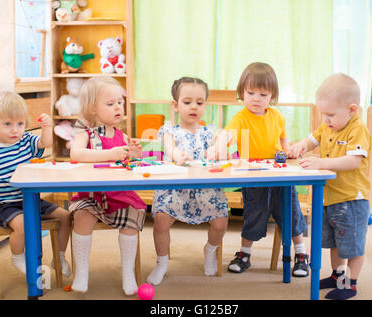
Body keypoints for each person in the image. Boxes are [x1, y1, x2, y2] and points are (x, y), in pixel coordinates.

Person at [207, 62, 310, 277]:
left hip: (279, 175)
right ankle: (244, 254)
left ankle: (301, 254)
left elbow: (283, 141)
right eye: (250, 92)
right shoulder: (240, 118)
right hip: (253, 177)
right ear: (241, 93)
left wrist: (288, 150)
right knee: (253, 215)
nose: (256, 98)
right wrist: (217, 147)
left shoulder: (277, 116)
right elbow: (227, 135)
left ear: (272, 96)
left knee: (291, 214)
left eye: (262, 94)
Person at [287, 73, 371, 300]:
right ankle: (337, 276)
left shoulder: (357, 129)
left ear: (352, 110)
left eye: (331, 114)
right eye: (323, 113)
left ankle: (351, 283)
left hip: (351, 199)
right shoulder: (327, 127)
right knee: (336, 242)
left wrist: (321, 162)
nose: (325, 119)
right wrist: (300, 146)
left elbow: (353, 161)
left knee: (352, 245)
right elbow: (311, 140)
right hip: (330, 198)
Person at [0, 91, 71, 277]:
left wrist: (47, 126)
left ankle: (60, 257)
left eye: (20, 124)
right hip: (4, 205)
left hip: (31, 201)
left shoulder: (25, 141)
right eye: (8, 124)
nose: (15, 130)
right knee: (24, 224)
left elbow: (46, 143)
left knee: (65, 216)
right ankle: (18, 257)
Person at [146, 77, 229, 286]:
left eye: (200, 103)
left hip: (206, 189)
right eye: (187, 102)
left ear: (205, 106)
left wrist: (217, 149)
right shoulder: (169, 131)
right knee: (161, 220)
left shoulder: (209, 132)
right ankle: (162, 261)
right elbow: (169, 147)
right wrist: (176, 154)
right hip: (175, 189)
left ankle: (210, 250)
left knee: (221, 222)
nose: (194, 107)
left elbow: (225, 142)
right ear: (175, 105)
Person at [68, 76, 147, 295]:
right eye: (110, 104)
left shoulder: (121, 134)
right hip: (91, 194)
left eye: (120, 102)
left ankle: (128, 273)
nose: (118, 107)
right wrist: (110, 154)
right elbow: (76, 154)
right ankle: (81, 272)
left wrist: (133, 154)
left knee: (132, 220)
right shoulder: (85, 132)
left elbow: (126, 163)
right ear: (93, 109)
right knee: (82, 217)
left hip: (118, 195)